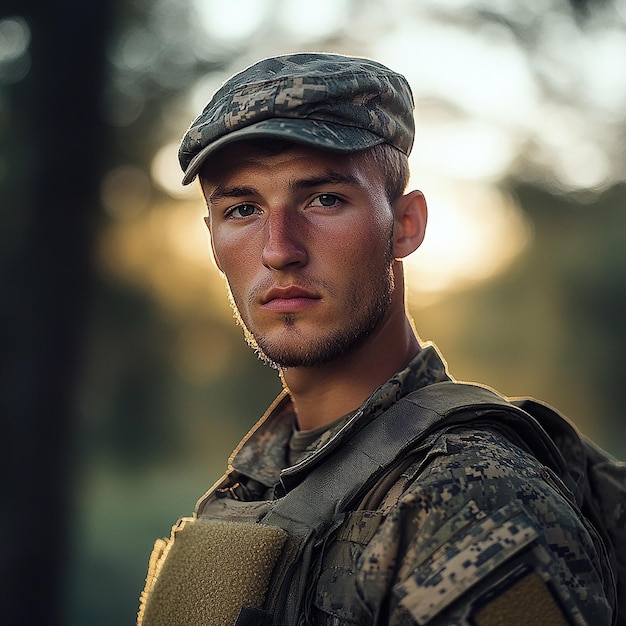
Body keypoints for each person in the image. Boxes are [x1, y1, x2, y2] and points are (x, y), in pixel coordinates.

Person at [138, 53, 622, 626]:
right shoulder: (264, 480)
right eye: (242, 209)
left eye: (324, 200)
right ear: (213, 238)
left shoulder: (469, 497)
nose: (278, 248)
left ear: (406, 224)